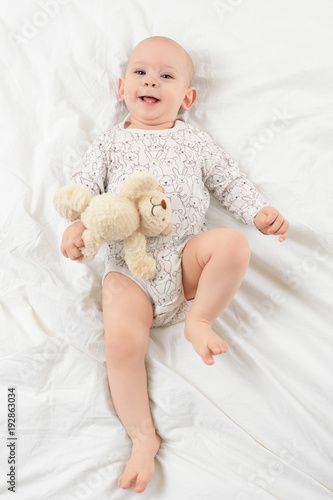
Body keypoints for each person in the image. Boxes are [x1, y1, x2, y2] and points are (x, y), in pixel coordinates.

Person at [60, 36, 289, 494]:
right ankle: (142, 436)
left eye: (167, 76)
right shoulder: (108, 143)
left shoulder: (194, 140)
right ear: (121, 86)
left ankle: (200, 320)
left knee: (232, 244)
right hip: (129, 269)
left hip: (185, 259)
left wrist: (258, 212)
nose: (152, 81)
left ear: (187, 98)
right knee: (121, 345)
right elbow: (83, 187)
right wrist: (77, 225)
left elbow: (228, 180)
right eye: (142, 72)